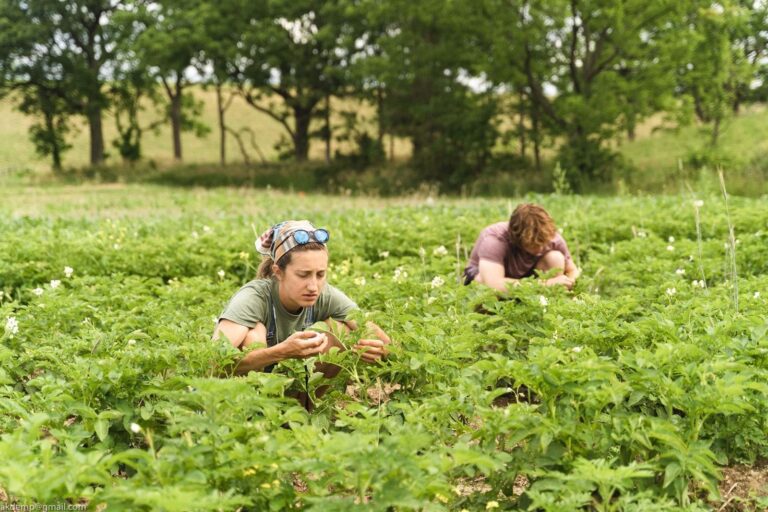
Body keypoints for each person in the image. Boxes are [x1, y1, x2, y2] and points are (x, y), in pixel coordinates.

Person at [213, 220, 390, 409]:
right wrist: (280, 352)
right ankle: (258, 416)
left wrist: (380, 351)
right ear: (278, 272)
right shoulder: (253, 298)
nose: (313, 286)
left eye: (320, 275)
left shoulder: (325, 295)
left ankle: (304, 412)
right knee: (253, 335)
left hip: (295, 395)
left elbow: (385, 343)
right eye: (303, 275)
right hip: (248, 399)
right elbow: (213, 364)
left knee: (340, 331)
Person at [463, 203, 580, 292]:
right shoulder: (495, 239)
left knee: (555, 258)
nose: (540, 248)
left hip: (525, 279)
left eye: (543, 243)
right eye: (533, 244)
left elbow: (572, 270)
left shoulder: (551, 238)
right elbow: (494, 284)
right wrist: (547, 284)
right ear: (516, 237)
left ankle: (548, 309)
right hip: (488, 279)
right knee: (482, 282)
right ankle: (488, 319)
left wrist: (569, 281)